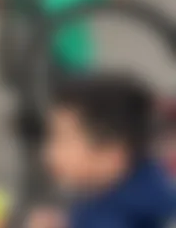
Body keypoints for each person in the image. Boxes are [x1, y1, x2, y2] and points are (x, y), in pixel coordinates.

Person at [29, 73, 175, 228]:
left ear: (112, 153)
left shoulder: (120, 215)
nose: (49, 153)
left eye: (63, 139)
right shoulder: (133, 188)